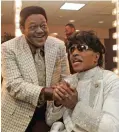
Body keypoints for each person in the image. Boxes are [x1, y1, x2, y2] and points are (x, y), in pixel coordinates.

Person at [1, 6, 70, 132]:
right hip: (15, 115)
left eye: (43, 26)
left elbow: (65, 77)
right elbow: (14, 84)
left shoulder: (58, 46)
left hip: (48, 114)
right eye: (33, 27)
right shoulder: (8, 48)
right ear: (22, 29)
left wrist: (63, 91)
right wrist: (47, 92)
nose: (40, 31)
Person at [46, 31, 119, 132]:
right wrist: (58, 103)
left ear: (96, 57)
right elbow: (50, 121)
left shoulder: (111, 81)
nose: (74, 53)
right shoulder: (68, 81)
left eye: (81, 48)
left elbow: (112, 128)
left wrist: (75, 106)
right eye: (72, 49)